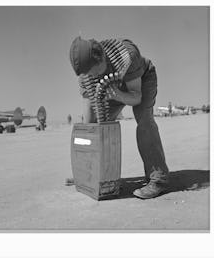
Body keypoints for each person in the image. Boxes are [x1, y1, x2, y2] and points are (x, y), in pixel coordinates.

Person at [69, 36, 169, 199]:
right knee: (99, 127)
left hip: (141, 81)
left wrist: (118, 94)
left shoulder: (125, 55)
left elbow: (136, 97)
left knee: (144, 121)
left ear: (100, 57)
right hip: (112, 89)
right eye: (88, 73)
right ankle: (98, 176)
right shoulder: (86, 76)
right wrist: (86, 172)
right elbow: (89, 122)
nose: (91, 75)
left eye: (93, 70)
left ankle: (158, 180)